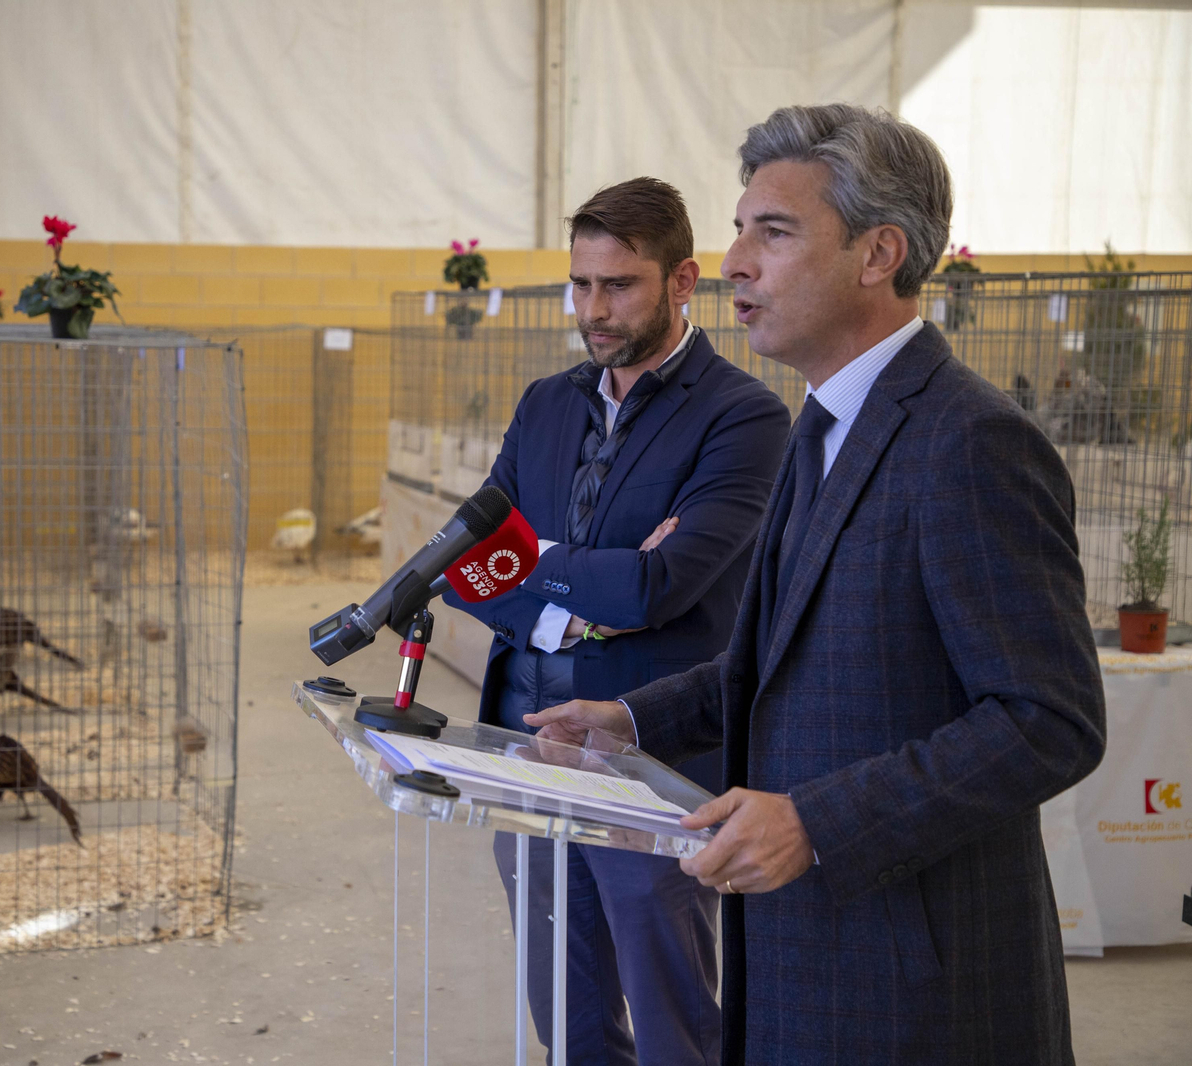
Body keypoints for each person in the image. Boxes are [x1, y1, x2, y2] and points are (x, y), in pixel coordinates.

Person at [526, 105, 1106, 1065]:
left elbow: (1050, 719)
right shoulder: (823, 428)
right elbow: (774, 663)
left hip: (914, 978)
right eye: (741, 226)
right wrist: (629, 721)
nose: (733, 261)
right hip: (805, 947)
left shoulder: (967, 441)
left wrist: (817, 822)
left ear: (879, 252)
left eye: (775, 231)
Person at [444, 177, 789, 1066]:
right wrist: (582, 598)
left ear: (683, 281)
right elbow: (468, 569)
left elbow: (658, 591)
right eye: (581, 284)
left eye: (619, 286)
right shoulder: (547, 404)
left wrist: (542, 560)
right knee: (562, 998)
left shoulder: (743, 416)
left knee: (668, 995)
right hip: (525, 740)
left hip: (649, 757)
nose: (593, 310)